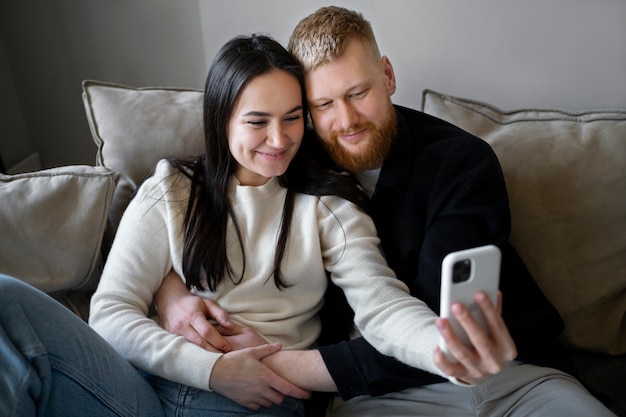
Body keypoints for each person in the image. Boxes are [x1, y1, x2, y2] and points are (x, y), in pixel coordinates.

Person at [0, 33, 506, 417]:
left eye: (293, 117)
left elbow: (384, 305)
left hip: (255, 399)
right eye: (257, 121)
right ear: (223, 120)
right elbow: (111, 313)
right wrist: (213, 369)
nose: (279, 139)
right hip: (144, 387)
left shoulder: (328, 205)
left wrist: (445, 348)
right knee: (7, 299)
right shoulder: (174, 188)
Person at [155, 6, 616, 417]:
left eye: (359, 92)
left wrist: (271, 362)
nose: (347, 119)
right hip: (378, 399)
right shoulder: (286, 165)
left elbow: (436, 327)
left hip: (515, 378)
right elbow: (207, 202)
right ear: (305, 111)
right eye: (324, 104)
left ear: (388, 76)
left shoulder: (460, 163)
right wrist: (170, 289)